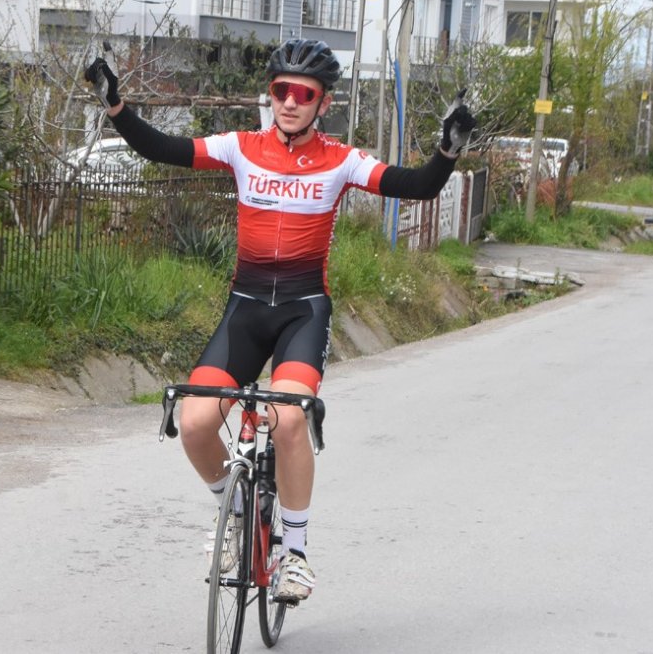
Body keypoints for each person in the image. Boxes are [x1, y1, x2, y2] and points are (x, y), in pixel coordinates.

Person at [85, 38, 476, 603]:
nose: (289, 102)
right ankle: (237, 511)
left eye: (303, 94)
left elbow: (414, 186)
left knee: (287, 420)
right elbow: (162, 149)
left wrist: (447, 151)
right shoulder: (241, 147)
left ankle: (294, 554)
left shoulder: (342, 160)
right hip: (245, 309)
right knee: (194, 423)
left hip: (302, 312)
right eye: (279, 91)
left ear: (323, 104)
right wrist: (116, 106)